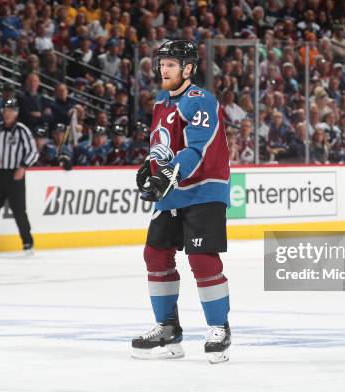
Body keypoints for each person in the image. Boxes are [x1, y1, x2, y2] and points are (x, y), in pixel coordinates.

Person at [132, 40, 231, 364]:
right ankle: (168, 329)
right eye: (162, 63)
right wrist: (152, 168)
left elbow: (196, 149)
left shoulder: (199, 100)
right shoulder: (162, 104)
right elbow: (162, 147)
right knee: (155, 255)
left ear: (188, 69)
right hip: (174, 191)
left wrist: (168, 175)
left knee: (202, 258)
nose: (164, 69)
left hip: (204, 189)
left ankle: (219, 328)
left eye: (171, 64)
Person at [0, 99, 38, 255]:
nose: (7, 114)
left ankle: (27, 242)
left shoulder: (22, 130)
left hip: (15, 175)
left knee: (19, 211)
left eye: (11, 111)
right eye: (5, 111)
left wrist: (23, 167)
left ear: (16, 113)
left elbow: (33, 151)